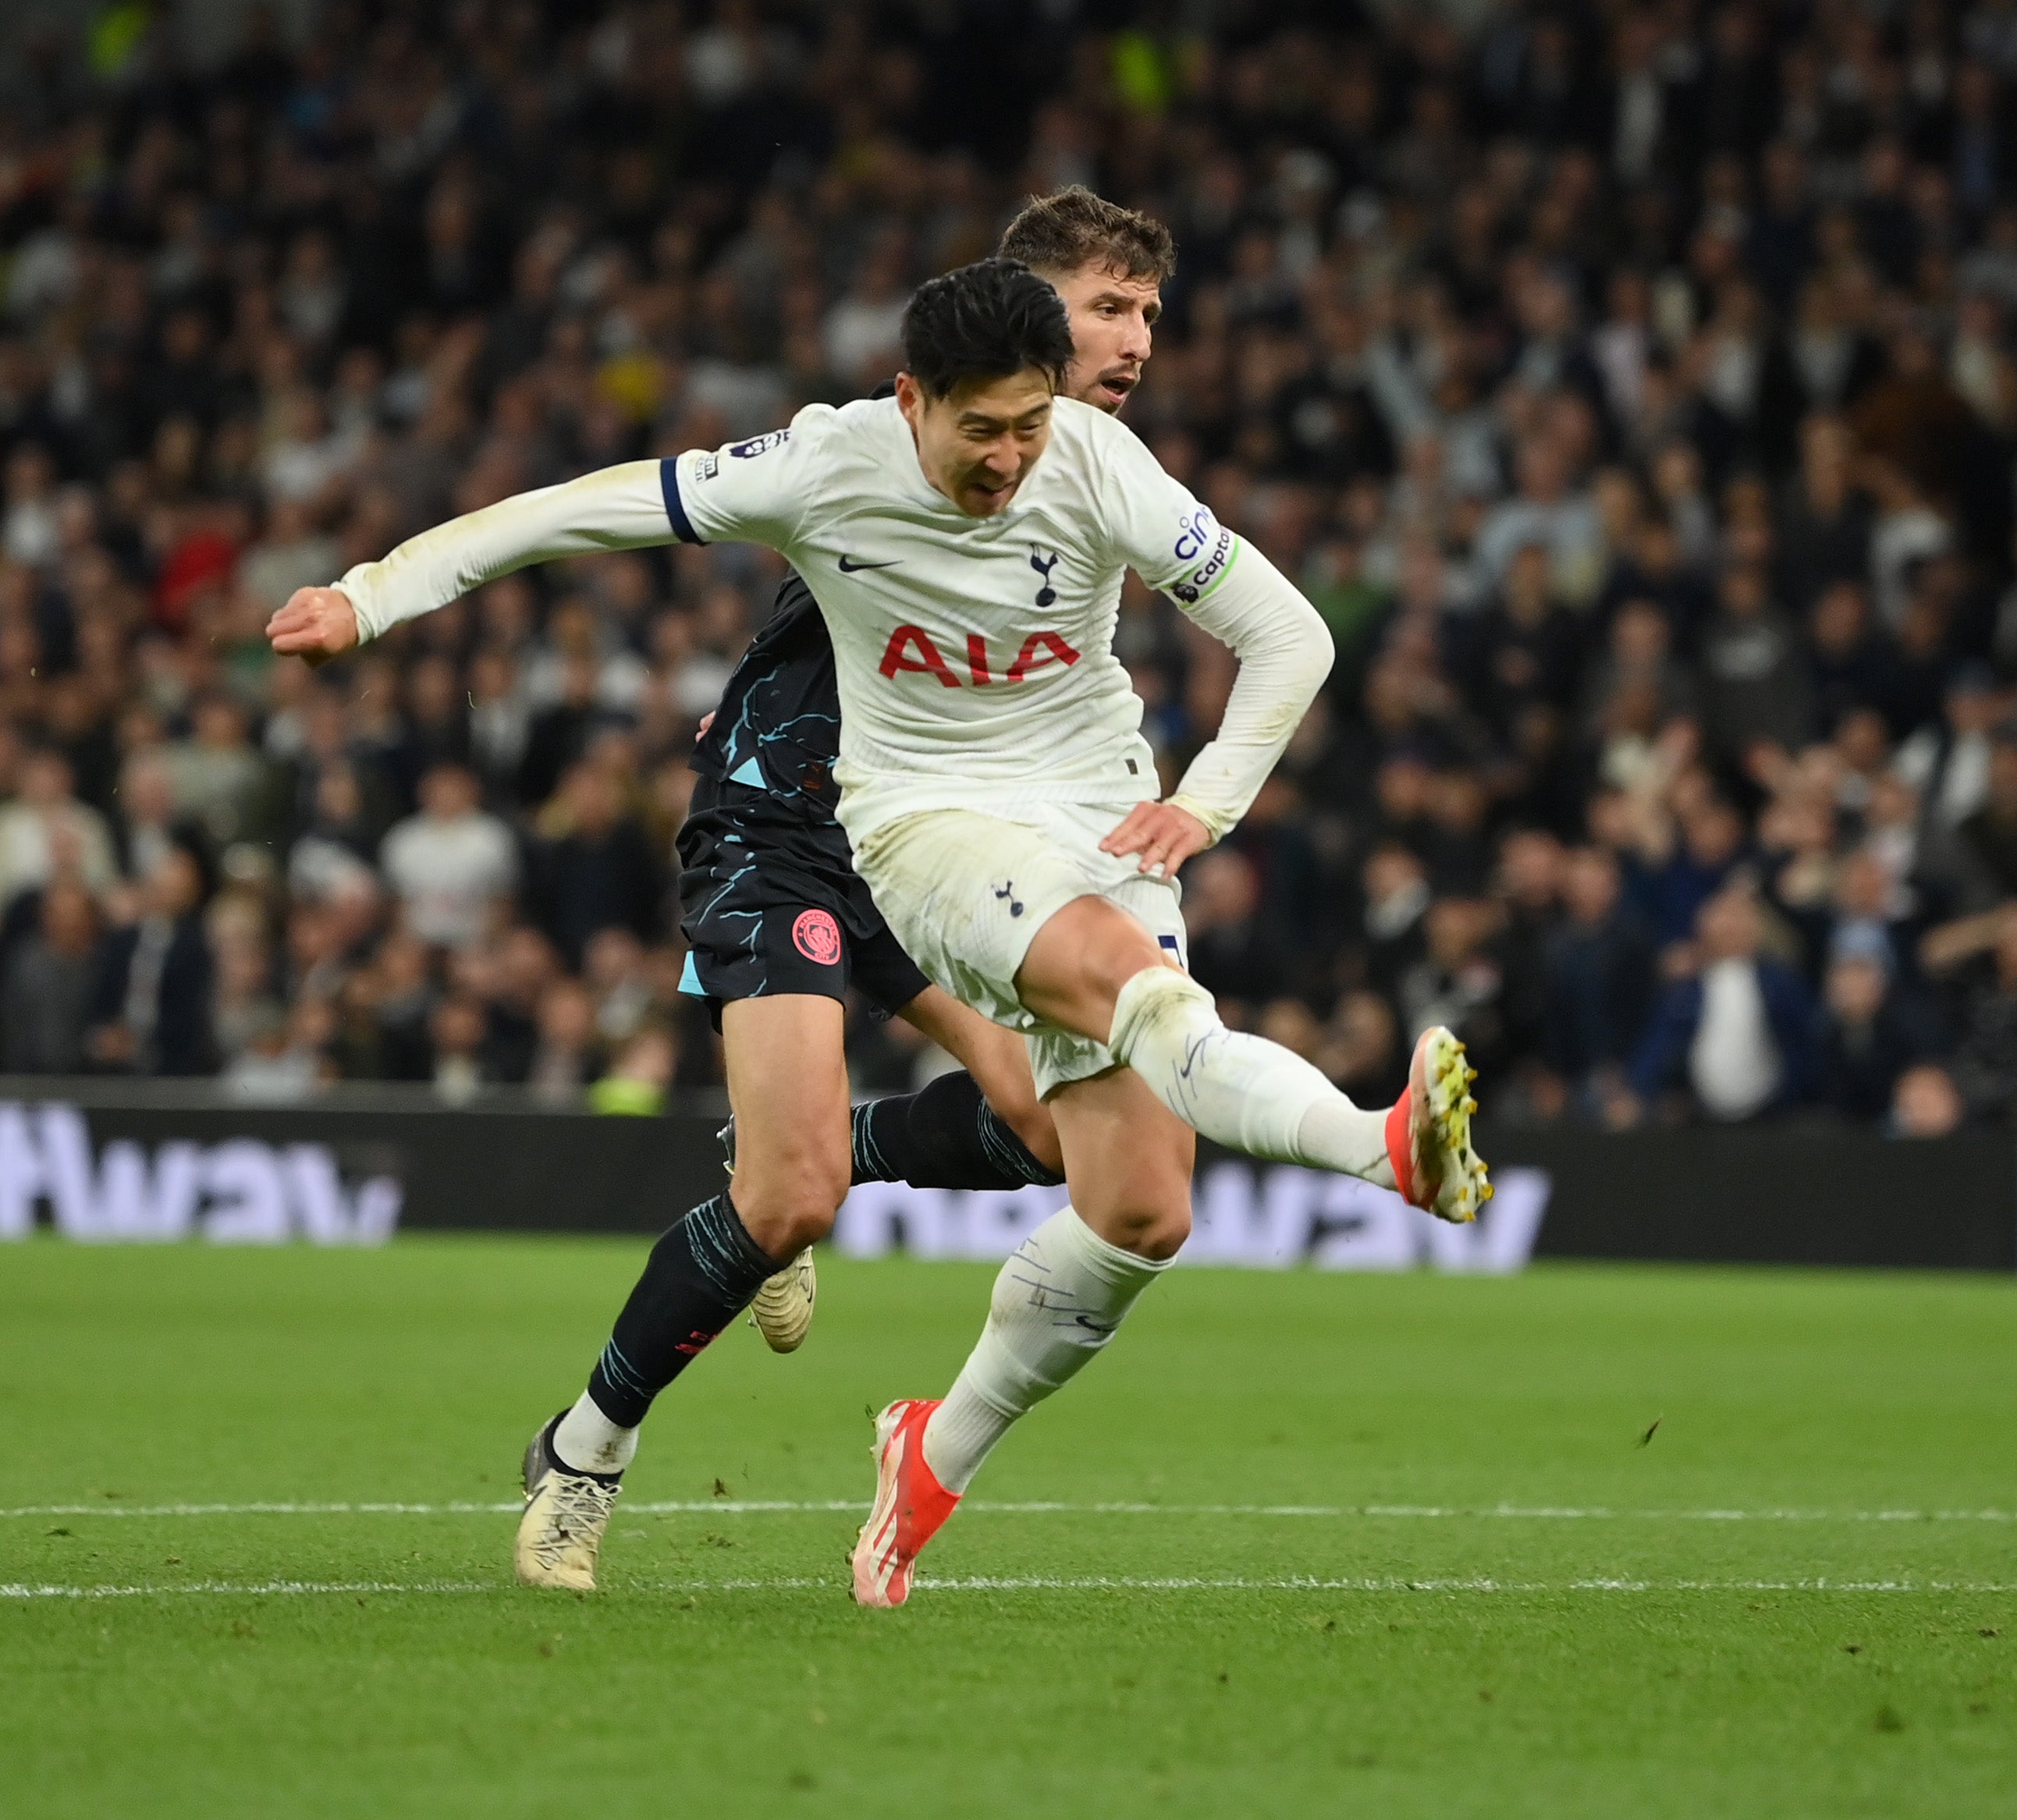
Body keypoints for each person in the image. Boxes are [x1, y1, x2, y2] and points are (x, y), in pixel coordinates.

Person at [268, 256, 1487, 1611]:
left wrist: (1194, 802)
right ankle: (588, 1447)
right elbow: (581, 512)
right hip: (795, 821)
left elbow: (1277, 626)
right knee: (794, 1196)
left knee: (1075, 1151)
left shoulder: (1087, 454)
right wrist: (373, 594)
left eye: (1146, 320)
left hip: (1015, 832)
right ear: (944, 379)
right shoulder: (834, 456)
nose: (1130, 347)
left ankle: (881, 1322)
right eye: (1110, 313)